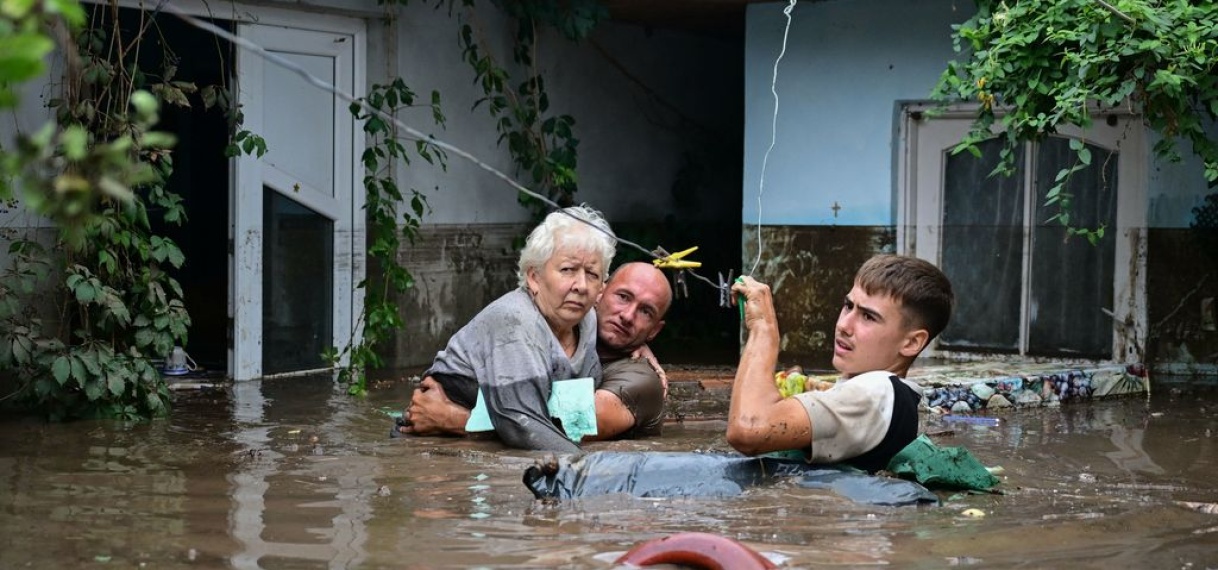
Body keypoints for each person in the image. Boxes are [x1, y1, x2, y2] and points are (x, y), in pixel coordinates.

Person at [396, 205, 616, 453]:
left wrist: (458, 420)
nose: (581, 285)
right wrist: (593, 470)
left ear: (601, 289)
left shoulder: (587, 321)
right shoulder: (515, 319)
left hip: (476, 432)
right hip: (436, 446)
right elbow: (522, 424)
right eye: (567, 270)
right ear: (534, 277)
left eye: (592, 274)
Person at [398, 261, 673, 443]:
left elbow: (569, 427)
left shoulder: (642, 380)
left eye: (645, 312)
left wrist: (454, 420)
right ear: (598, 292)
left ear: (654, 330)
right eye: (623, 297)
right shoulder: (555, 328)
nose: (627, 315)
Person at [726, 254, 954, 472]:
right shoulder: (895, 396)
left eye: (868, 316)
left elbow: (749, 429)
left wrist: (763, 328)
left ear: (912, 342)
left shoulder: (874, 390)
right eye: (848, 305)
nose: (844, 325)